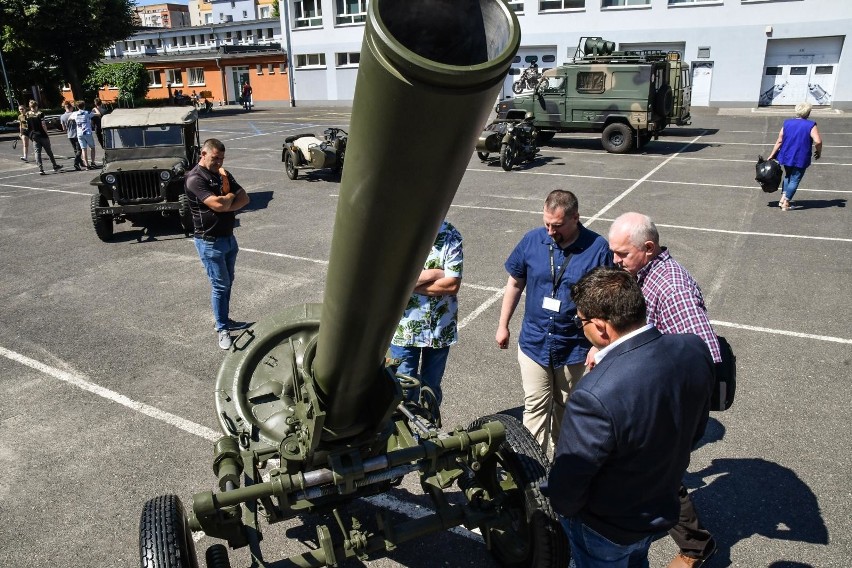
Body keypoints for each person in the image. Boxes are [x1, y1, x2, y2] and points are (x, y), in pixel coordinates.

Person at [546, 266, 715, 568]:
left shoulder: (593, 394)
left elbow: (569, 482)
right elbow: (696, 430)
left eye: (580, 320)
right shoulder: (693, 349)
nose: (579, 326)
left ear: (600, 327)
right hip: (659, 507)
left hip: (605, 528)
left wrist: (566, 511)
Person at [607, 212, 720, 568]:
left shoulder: (671, 288)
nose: (615, 261)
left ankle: (696, 548)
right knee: (653, 473)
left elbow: (706, 356)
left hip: (667, 405)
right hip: (655, 398)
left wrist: (663, 402)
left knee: (660, 476)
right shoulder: (643, 275)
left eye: (622, 254)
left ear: (649, 248)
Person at [496, 189, 611, 454]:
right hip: (534, 343)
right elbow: (515, 282)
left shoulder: (598, 248)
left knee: (567, 410)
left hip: (575, 348)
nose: (550, 231)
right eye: (546, 223)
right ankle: (531, 471)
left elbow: (607, 301)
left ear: (576, 218)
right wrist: (503, 324)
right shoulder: (532, 240)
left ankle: (563, 466)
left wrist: (598, 345)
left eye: (557, 225)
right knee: (534, 406)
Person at [184, 138, 251, 350]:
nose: (219, 163)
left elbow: (245, 199)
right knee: (220, 285)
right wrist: (230, 197)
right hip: (209, 242)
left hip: (229, 239)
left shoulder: (223, 174)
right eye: (215, 158)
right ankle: (222, 328)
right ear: (203, 154)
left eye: (222, 158)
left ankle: (225, 319)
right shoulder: (195, 178)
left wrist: (226, 203)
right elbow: (218, 204)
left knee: (228, 282)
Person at [389, 220, 463, 407]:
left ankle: (429, 429)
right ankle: (405, 433)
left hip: (440, 328)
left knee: (431, 390)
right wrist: (435, 274)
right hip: (405, 329)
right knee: (403, 391)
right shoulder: (399, 235)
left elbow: (452, 284)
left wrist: (409, 284)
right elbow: (391, 279)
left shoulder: (450, 235)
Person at [767, 101, 822, 211]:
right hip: (801, 156)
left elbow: (779, 140)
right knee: (795, 179)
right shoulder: (810, 125)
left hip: (786, 154)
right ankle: (786, 203)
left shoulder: (787, 123)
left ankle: (782, 199)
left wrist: (771, 155)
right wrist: (818, 152)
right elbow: (818, 141)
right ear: (808, 112)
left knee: (788, 176)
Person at [24, 100, 62, 175]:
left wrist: (29, 134)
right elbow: (43, 124)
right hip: (42, 134)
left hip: (34, 135)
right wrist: (46, 133)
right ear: (36, 106)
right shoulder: (40, 114)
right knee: (49, 151)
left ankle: (41, 168)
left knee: (37, 152)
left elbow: (26, 126)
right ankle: (54, 165)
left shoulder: (27, 114)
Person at [60, 101, 85, 171]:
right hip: (76, 134)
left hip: (69, 135)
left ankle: (81, 162)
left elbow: (63, 128)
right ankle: (76, 163)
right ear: (70, 107)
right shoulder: (74, 114)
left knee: (75, 150)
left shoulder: (62, 116)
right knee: (79, 150)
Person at [74, 101, 97, 169]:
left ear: (77, 107)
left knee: (84, 149)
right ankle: (92, 162)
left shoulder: (75, 113)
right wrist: (95, 109)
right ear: (84, 106)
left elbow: (70, 118)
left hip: (79, 133)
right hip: (87, 132)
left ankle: (87, 165)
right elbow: (98, 114)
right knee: (92, 147)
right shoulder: (87, 113)